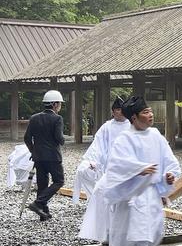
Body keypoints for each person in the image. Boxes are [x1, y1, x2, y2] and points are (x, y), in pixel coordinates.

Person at [80, 96, 181, 246]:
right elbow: (117, 164)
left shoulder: (155, 135)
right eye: (145, 112)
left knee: (151, 229)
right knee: (129, 231)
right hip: (132, 193)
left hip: (149, 192)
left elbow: (168, 158)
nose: (150, 115)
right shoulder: (124, 139)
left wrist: (169, 174)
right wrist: (138, 170)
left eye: (150, 111)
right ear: (134, 118)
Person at [74, 96, 130, 204]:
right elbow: (98, 144)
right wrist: (93, 160)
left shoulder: (131, 125)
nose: (121, 112)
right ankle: (100, 201)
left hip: (126, 160)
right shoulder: (107, 126)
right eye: (118, 109)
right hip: (109, 160)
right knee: (84, 171)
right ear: (113, 112)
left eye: (123, 109)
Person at [23, 90, 65, 221]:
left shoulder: (34, 118)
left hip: (38, 157)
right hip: (53, 157)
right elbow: (59, 138)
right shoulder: (57, 118)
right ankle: (38, 203)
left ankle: (43, 213)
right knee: (59, 181)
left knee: (42, 183)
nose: (60, 106)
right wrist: (63, 140)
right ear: (54, 104)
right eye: (59, 104)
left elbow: (27, 138)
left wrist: (33, 151)